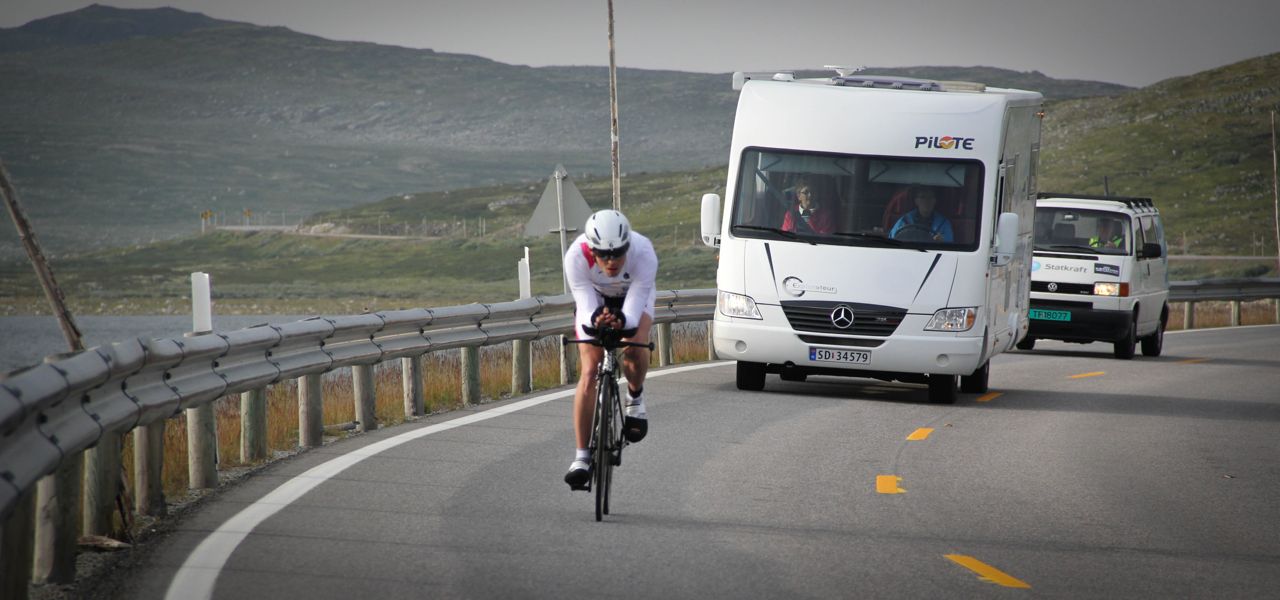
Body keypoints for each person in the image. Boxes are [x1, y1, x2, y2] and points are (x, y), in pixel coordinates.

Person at [562, 209, 658, 490]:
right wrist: (596, 320)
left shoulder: (644, 253)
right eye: (603, 254)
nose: (611, 261)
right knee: (590, 370)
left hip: (633, 295)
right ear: (592, 250)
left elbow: (633, 309)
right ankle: (581, 457)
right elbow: (585, 304)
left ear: (628, 246)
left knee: (634, 344)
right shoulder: (575, 256)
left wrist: (622, 322)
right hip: (595, 298)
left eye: (617, 253)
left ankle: (635, 398)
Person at [889, 186, 954, 242]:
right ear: (916, 201)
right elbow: (892, 239)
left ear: (935, 201)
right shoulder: (904, 220)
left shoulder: (943, 223)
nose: (927, 201)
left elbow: (950, 242)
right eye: (923, 197)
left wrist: (942, 241)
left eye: (930, 197)